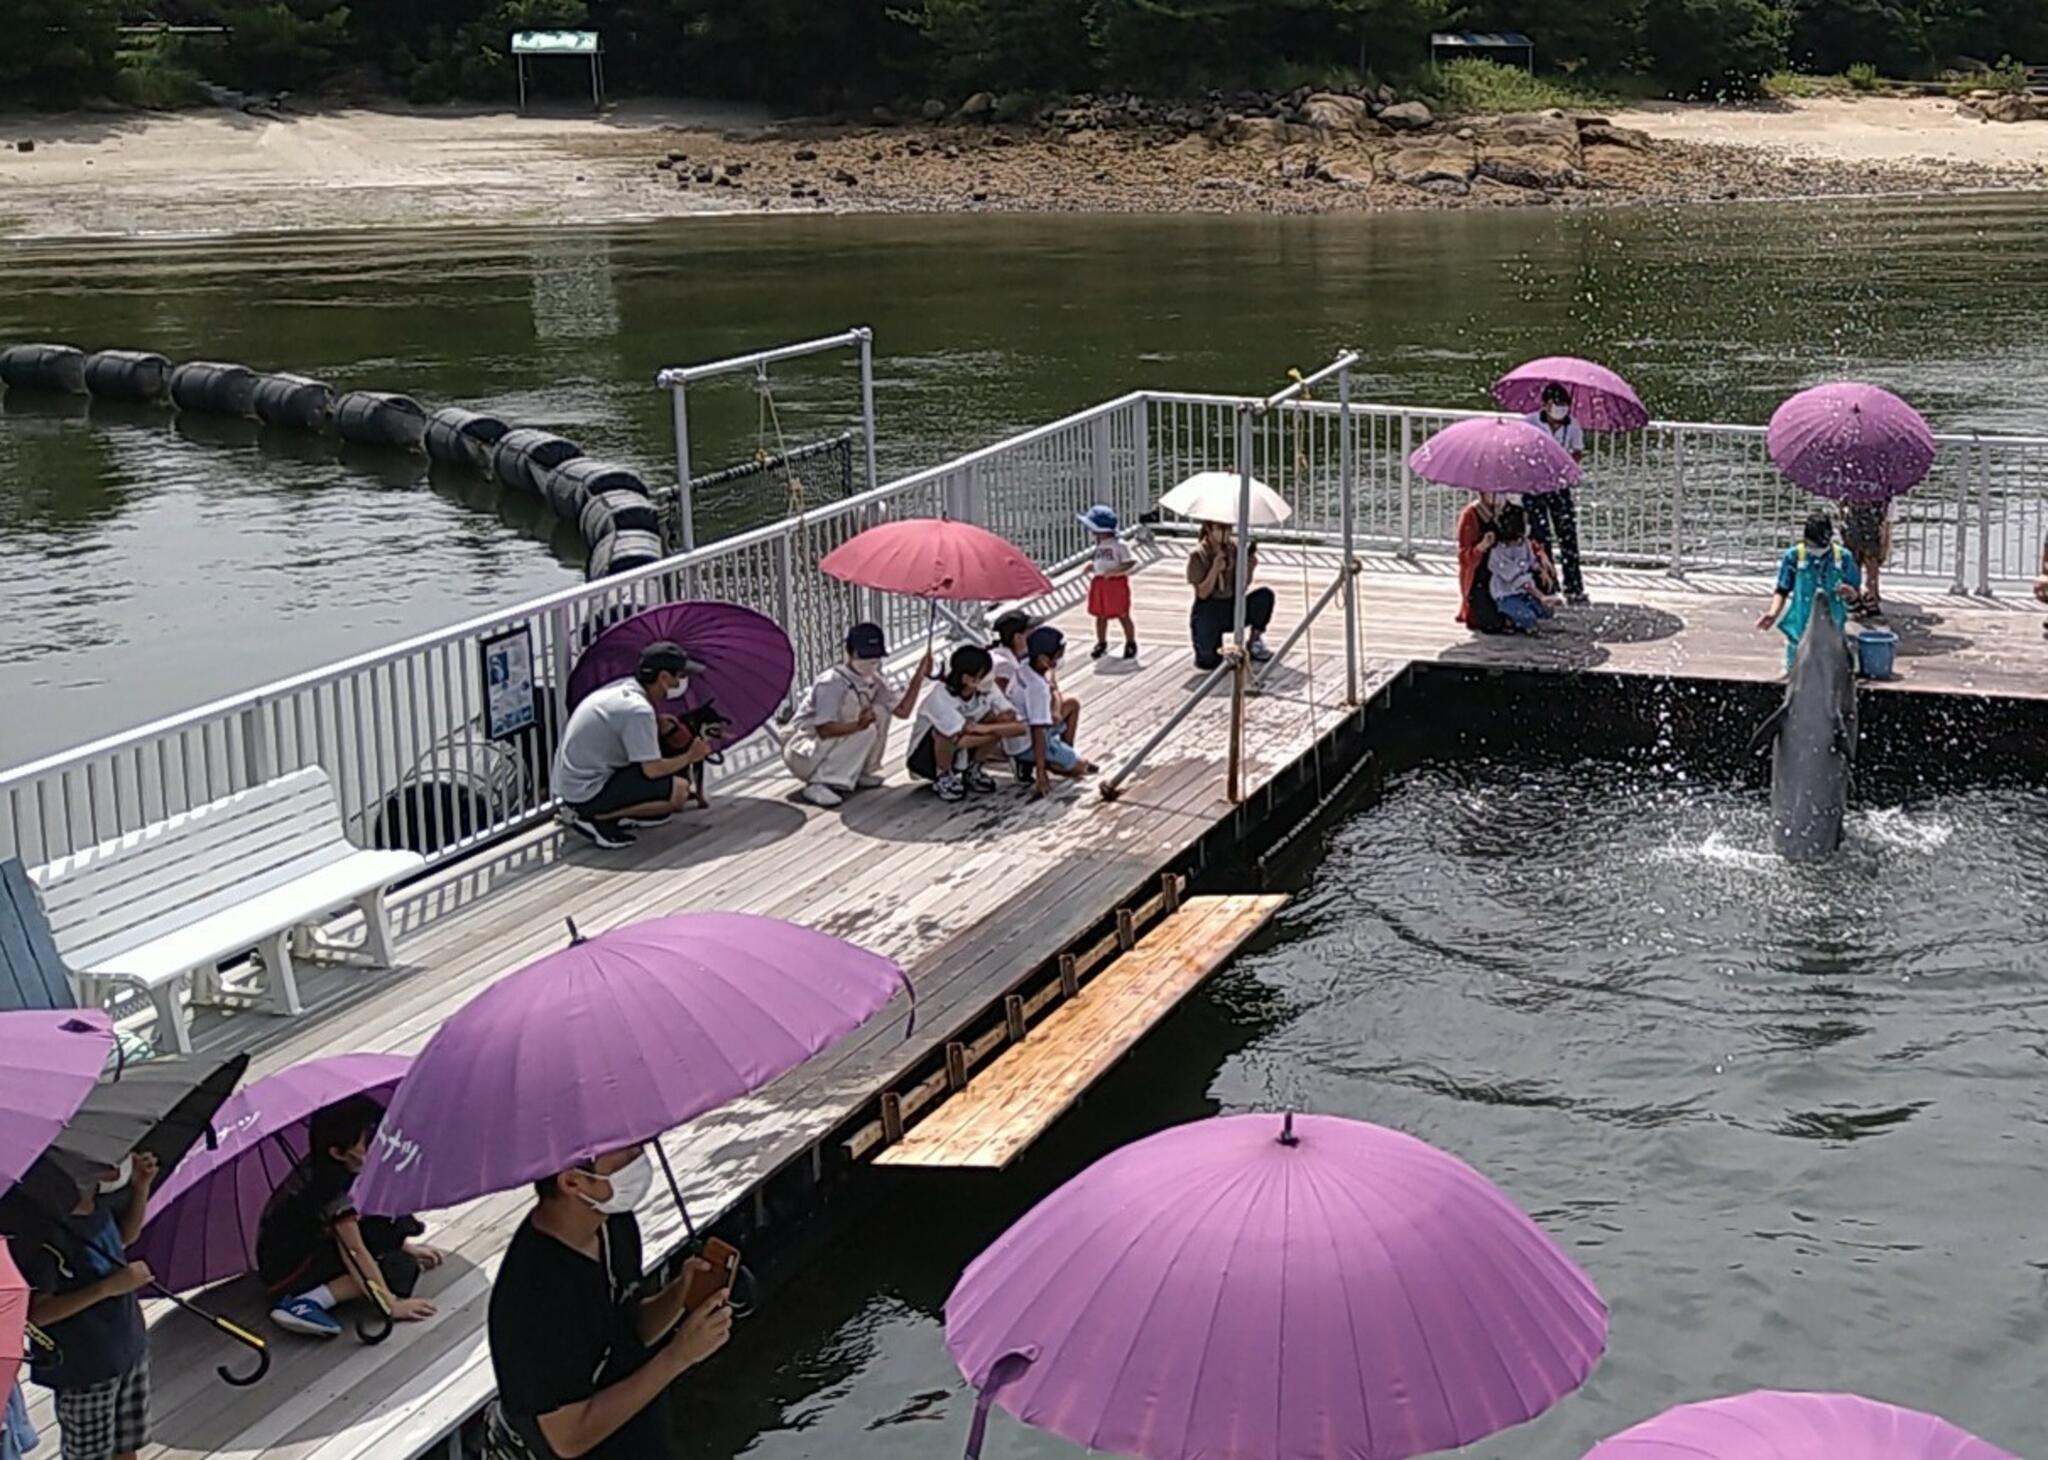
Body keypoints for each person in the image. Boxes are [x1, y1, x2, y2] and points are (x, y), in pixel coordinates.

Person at [488, 1145, 732, 1460]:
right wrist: (678, 1357)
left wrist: (680, 1294)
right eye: (625, 1156)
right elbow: (567, 1437)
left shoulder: (612, 1222)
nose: (639, 1158)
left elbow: (628, 1331)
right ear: (572, 1182)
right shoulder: (535, 1295)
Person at [9, 1153, 158, 1460]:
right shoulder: (46, 1234)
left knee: (126, 1445)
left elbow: (124, 1238)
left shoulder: (99, 1206)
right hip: (84, 1367)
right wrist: (107, 1287)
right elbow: (37, 1315)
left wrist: (140, 1189)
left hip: (127, 1346)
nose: (119, 1164)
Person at [259, 1096, 441, 1339]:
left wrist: (403, 1244)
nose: (377, 1144)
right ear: (338, 1152)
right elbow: (353, 1250)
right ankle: (306, 1301)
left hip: (317, 1242)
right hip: (292, 1269)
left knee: (389, 1230)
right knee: (395, 1269)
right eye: (367, 1142)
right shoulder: (330, 1189)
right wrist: (389, 1304)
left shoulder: (349, 1168)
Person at [551, 642, 713, 851]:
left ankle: (625, 810)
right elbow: (652, 769)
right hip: (586, 791)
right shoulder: (639, 711)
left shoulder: (624, 687)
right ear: (663, 678)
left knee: (665, 788)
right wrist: (690, 756)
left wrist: (656, 724)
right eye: (680, 676)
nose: (682, 682)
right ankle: (591, 817)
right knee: (679, 792)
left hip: (573, 781)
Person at [782, 623, 931, 808]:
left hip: (834, 740)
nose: (871, 662)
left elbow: (903, 711)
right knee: (865, 729)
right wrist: (858, 726)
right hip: (806, 750)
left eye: (875, 657)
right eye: (865, 656)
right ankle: (822, 781)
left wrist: (920, 675)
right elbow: (824, 729)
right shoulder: (832, 682)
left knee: (880, 712)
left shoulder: (874, 680)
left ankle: (861, 771)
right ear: (850, 652)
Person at [906, 645, 1022, 802]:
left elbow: (1015, 722)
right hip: (926, 756)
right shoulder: (941, 698)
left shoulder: (986, 688)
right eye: (984, 674)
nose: (990, 677)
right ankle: (943, 776)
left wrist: (989, 728)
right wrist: (997, 732)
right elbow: (961, 740)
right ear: (967, 679)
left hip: (966, 743)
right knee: (943, 733)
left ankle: (974, 769)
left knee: (997, 718)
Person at [1757, 509, 1862, 670]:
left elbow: (1856, 597)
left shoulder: (1844, 558)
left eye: (1820, 545)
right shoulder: (1794, 556)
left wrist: (1851, 593)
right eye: (1812, 545)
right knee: (1797, 670)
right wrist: (1773, 613)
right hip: (1800, 626)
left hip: (1832, 627)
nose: (1816, 550)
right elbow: (1782, 589)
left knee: (1830, 668)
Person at [1003, 626, 1096, 799]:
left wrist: (1055, 708)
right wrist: (1041, 772)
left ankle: (1063, 752)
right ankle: (1041, 762)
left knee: (1072, 704)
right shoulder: (1036, 688)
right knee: (1080, 768)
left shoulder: (1027, 665)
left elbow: (1051, 681)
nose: (1061, 659)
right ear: (1045, 659)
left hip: (1032, 721)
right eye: (1058, 655)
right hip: (1027, 740)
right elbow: (1038, 729)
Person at [1522, 383, 1588, 604]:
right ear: (1545, 405)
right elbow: (1521, 451)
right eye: (1555, 405)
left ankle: (1574, 586)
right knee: (1540, 538)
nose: (1560, 410)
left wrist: (1567, 462)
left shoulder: (1573, 426)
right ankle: (1547, 586)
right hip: (1534, 488)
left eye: (1564, 406)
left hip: (1560, 487)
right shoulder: (1530, 423)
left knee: (1567, 535)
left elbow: (1578, 452)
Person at [1187, 521, 1274, 669]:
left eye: (1228, 528)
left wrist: (1249, 568)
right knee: (1208, 662)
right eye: (1220, 528)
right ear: (1209, 529)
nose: (1225, 533)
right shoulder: (1198, 554)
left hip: (1232, 604)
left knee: (1264, 596)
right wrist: (1214, 569)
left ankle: (1254, 642)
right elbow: (1202, 593)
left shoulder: (1233, 548)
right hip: (1209, 608)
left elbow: (1241, 586)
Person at [989, 612, 1080, 746]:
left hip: (1027, 711)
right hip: (1019, 724)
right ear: (1018, 637)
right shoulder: (1004, 666)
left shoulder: (1020, 654)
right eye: (1030, 631)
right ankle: (1065, 756)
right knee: (1072, 704)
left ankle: (1065, 752)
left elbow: (1047, 675)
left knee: (1062, 703)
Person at [1079, 505, 1138, 660]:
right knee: (1100, 614)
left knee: (1123, 614)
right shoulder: (1099, 545)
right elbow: (1100, 561)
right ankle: (1101, 642)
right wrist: (1092, 566)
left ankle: (1130, 642)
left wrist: (1116, 571)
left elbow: (1130, 562)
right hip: (1099, 582)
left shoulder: (1120, 545)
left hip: (1115, 583)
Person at [1488, 505, 1559, 631]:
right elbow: (1518, 580)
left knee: (1547, 613)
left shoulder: (1525, 543)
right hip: (1506, 594)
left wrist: (1541, 569)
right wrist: (1541, 596)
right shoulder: (1498, 553)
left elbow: (1531, 562)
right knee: (1528, 619)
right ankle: (1507, 617)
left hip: (1524, 593)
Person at [1455, 492, 1512, 632]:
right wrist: (1481, 547)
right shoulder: (1470, 515)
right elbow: (1464, 558)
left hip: (1504, 573)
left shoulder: (1509, 511)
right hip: (1479, 576)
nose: (1497, 494)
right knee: (1491, 623)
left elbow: (1524, 539)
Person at [1840, 497, 1893, 618]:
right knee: (1871, 560)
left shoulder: (1848, 484)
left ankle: (1855, 597)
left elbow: (1843, 504)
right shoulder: (1880, 486)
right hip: (1873, 519)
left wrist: (1842, 519)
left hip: (1853, 519)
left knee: (1855, 559)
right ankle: (1871, 597)